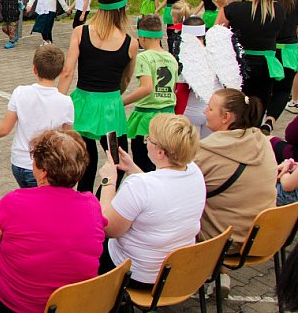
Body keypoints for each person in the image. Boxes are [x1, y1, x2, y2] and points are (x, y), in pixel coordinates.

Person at [0, 130, 106, 312]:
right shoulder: (92, 205)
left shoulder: (13, 202)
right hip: (73, 304)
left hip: (15, 303)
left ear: (43, 172)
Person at [97, 114, 206, 288]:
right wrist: (132, 168)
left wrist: (108, 182)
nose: (146, 141)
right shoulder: (194, 171)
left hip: (138, 274)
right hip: (176, 268)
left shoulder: (139, 185)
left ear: (161, 152)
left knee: (89, 238)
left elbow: (108, 228)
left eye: (149, 139)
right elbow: (160, 193)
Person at [58, 0, 139, 193]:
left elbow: (67, 72)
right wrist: (114, 95)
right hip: (110, 110)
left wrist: (56, 102)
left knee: (86, 160)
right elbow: (126, 79)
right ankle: (101, 200)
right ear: (122, 9)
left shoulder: (80, 32)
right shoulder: (130, 43)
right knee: (118, 159)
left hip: (82, 105)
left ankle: (83, 201)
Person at [195, 89, 277, 255]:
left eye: (210, 108)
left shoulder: (206, 151)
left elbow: (177, 190)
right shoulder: (262, 141)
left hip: (224, 241)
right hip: (263, 236)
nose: (205, 112)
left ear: (226, 117)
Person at [0, 45, 74, 188]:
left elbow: (4, 129)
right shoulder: (66, 102)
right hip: (43, 167)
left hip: (18, 163)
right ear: (60, 72)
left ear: (34, 69)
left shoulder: (20, 92)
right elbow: (68, 138)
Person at [214, 0, 285, 109]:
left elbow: (217, 32)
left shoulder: (235, 8)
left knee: (237, 105)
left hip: (239, 64)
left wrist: (223, 7)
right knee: (259, 105)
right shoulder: (277, 10)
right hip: (265, 66)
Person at [123, 15, 179, 172]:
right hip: (168, 116)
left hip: (147, 117)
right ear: (160, 36)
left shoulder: (144, 57)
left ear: (142, 38)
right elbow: (173, 87)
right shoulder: (171, 58)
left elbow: (147, 88)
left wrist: (122, 102)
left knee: (143, 163)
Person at [177, 19, 242, 138]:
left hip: (191, 114)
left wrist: (176, 116)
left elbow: (182, 91)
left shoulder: (187, 56)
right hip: (215, 112)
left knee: (191, 148)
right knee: (210, 147)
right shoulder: (217, 52)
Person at [263, 0, 298, 133]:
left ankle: (259, 118)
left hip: (268, 50)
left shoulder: (267, 1)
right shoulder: (295, 0)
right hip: (289, 51)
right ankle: (270, 119)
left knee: (265, 87)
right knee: (283, 90)